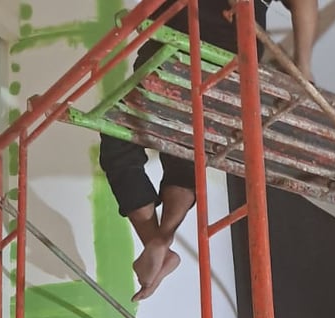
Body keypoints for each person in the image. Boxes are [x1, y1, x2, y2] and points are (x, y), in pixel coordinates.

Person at [99, 0, 318, 301]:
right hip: (185, 56)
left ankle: (157, 241)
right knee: (183, 151)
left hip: (197, 55)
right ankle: (159, 241)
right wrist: (302, 68)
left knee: (120, 139)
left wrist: (302, 69)